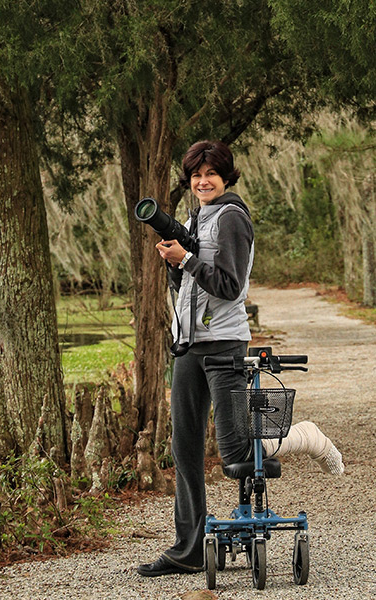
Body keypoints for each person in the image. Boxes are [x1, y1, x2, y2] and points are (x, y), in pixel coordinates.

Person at [137, 140, 343, 578]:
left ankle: (306, 436)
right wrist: (176, 264)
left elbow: (230, 287)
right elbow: (191, 287)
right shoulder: (197, 216)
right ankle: (188, 550)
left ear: (226, 177)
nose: (202, 181)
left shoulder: (232, 217)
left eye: (211, 173)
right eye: (196, 175)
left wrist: (187, 259)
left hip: (225, 343)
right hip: (188, 345)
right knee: (185, 447)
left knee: (234, 451)